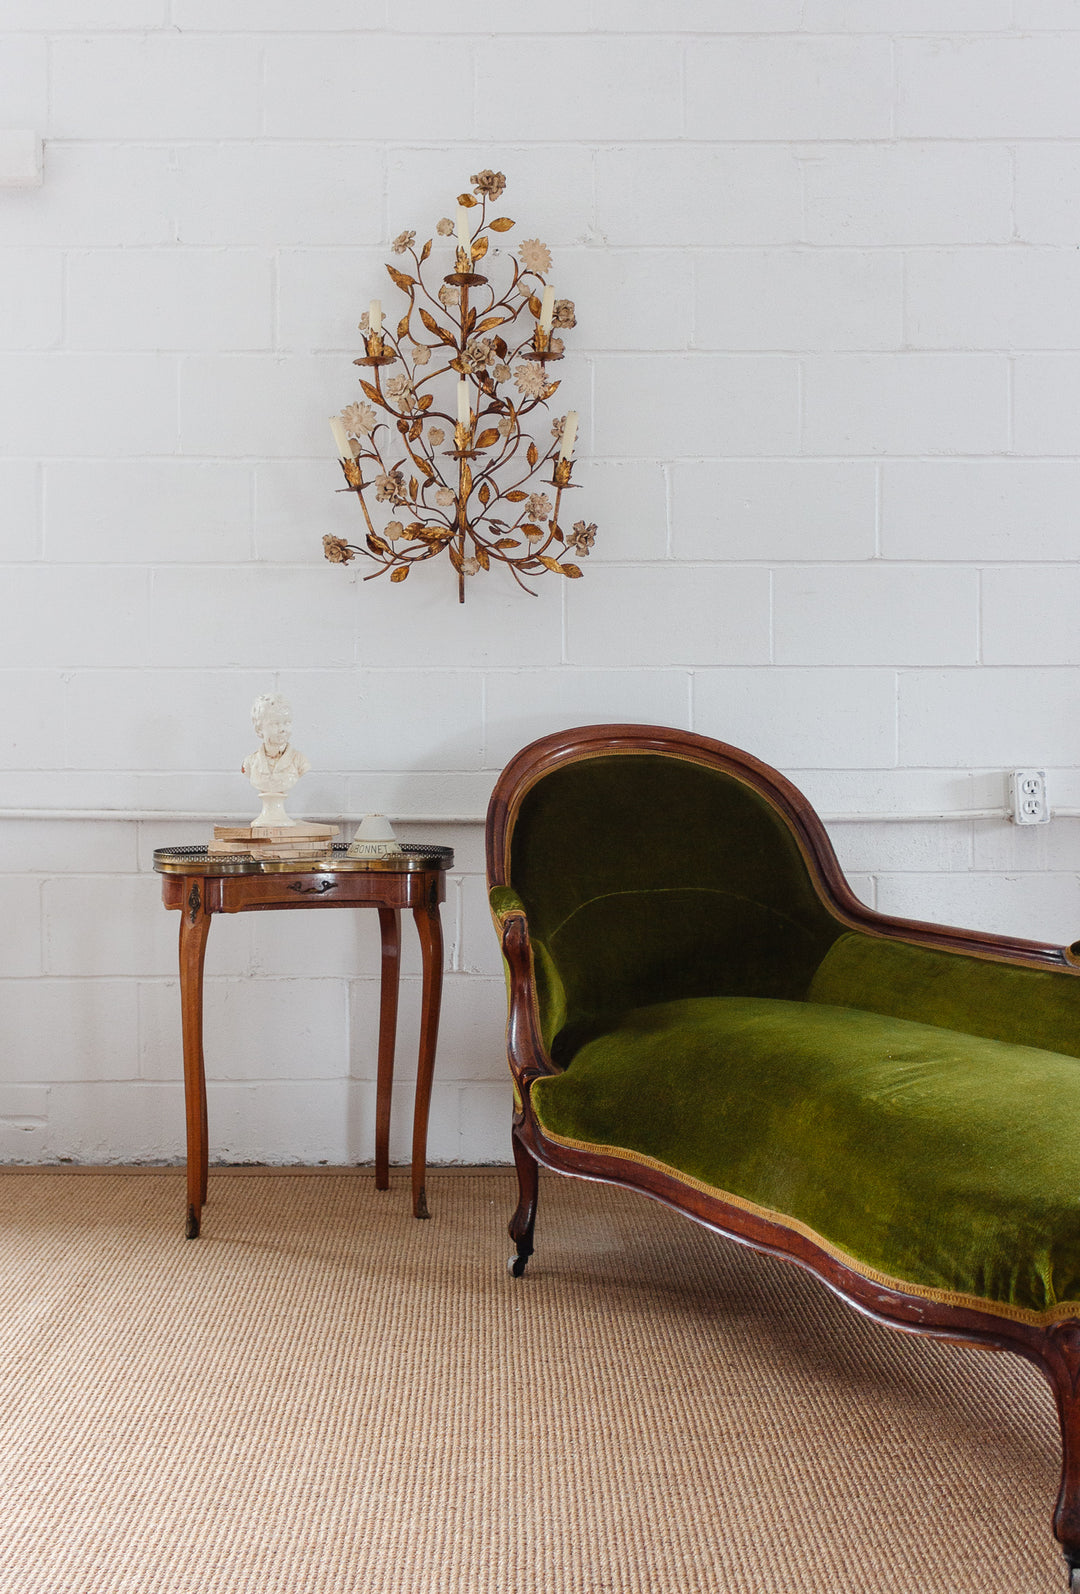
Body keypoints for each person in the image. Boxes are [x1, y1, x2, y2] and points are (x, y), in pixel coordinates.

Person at [242, 694, 310, 824]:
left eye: (287, 722)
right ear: (259, 728)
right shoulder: (250, 763)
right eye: (275, 724)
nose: (283, 729)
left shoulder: (300, 761)